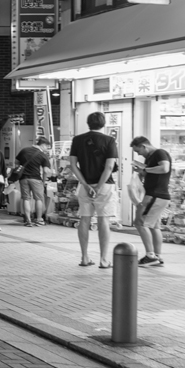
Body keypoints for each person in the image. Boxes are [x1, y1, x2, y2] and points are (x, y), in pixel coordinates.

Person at [67, 113, 119, 268]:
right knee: (104, 220)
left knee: (85, 218)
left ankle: (84, 257)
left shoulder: (77, 140)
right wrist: (98, 185)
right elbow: (109, 167)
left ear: (87, 123)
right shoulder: (109, 140)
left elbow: (73, 165)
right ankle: (103, 260)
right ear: (103, 124)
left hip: (85, 186)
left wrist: (85, 184)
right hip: (104, 186)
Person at [129, 136, 171, 266]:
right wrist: (141, 171)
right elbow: (154, 173)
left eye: (138, 151)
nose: (139, 154)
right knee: (154, 226)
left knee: (140, 223)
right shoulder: (150, 158)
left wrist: (145, 169)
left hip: (155, 195)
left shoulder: (160, 153)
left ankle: (150, 256)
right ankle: (157, 256)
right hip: (159, 195)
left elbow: (165, 168)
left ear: (144, 146)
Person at [13, 137, 52, 227]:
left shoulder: (24, 150)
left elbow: (16, 162)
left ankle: (28, 220)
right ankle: (38, 219)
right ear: (42, 145)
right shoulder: (43, 155)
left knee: (26, 198)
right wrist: (44, 179)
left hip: (23, 178)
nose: (47, 149)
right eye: (47, 147)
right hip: (36, 179)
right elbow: (46, 171)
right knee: (39, 199)